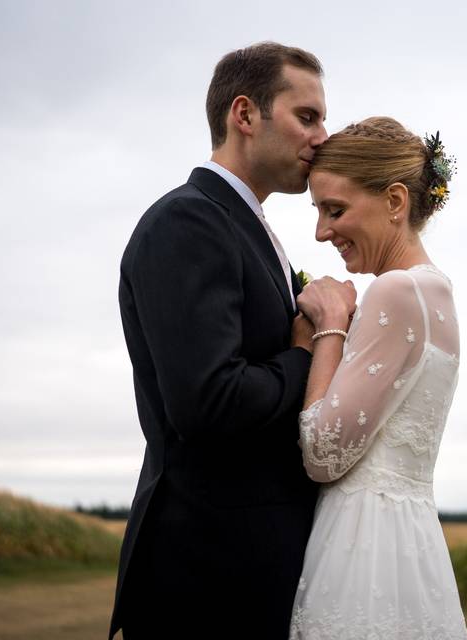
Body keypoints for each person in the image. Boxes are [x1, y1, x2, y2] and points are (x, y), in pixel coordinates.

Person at [110, 42, 356, 639]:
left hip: (244, 570)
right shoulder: (188, 222)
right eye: (307, 117)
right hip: (206, 580)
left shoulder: (247, 226)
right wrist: (310, 348)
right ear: (244, 116)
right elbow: (209, 401)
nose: (324, 136)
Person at [289, 117, 467, 638]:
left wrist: (328, 327)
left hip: (363, 549)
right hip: (412, 542)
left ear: (395, 201)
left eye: (335, 210)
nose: (322, 231)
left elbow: (322, 453)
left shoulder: (395, 291)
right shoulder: (437, 293)